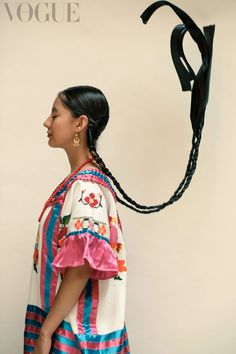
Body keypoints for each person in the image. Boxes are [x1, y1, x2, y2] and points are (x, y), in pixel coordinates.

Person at [23, 85, 130, 353]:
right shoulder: (80, 183)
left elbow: (81, 269)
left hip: (75, 337)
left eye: (55, 114)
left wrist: (45, 333)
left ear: (80, 123)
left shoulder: (86, 189)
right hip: (71, 330)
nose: (46, 122)